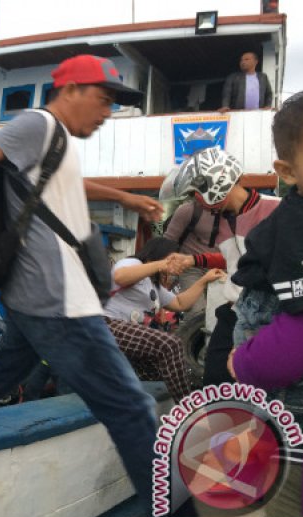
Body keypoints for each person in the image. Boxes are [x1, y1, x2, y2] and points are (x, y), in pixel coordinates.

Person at [0, 54, 199, 517]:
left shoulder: (55, 142)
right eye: (102, 100)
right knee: (130, 406)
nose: (105, 114)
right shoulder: (39, 123)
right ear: (71, 91)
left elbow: (66, 183)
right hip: (57, 297)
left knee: (11, 366)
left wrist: (122, 198)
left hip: (31, 293)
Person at [227, 90, 303, 517]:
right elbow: (296, 338)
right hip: (269, 317)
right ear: (288, 171)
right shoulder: (299, 225)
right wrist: (246, 360)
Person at [160, 147, 280, 387]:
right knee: (215, 381)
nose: (196, 199)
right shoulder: (223, 221)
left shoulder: (275, 210)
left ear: (215, 184)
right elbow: (233, 258)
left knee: (261, 385)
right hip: (234, 309)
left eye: (197, 192)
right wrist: (193, 260)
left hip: (270, 312)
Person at [104, 237, 224, 401]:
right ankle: (188, 408)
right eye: (174, 259)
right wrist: (161, 264)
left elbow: (180, 303)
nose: (178, 265)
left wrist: (204, 280)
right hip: (107, 326)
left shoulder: (153, 284)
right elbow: (120, 277)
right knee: (170, 344)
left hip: (127, 336)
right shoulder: (132, 263)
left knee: (168, 369)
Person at [163, 199, 222, 321]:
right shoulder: (188, 210)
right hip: (191, 267)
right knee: (196, 314)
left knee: (220, 314)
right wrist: (163, 272)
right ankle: (183, 339)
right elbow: (167, 242)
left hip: (221, 268)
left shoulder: (234, 213)